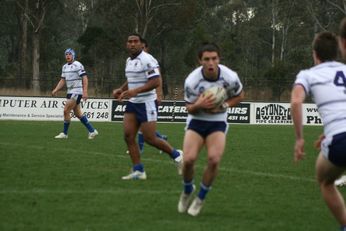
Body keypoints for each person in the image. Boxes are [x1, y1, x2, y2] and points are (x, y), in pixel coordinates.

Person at [177, 42, 244, 216]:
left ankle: (200, 199)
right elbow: (189, 108)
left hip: (217, 122)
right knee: (189, 159)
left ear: (219, 59)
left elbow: (240, 96)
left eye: (214, 58)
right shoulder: (192, 81)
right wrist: (199, 104)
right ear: (200, 61)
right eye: (206, 59)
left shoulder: (230, 77)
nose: (211, 63)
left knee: (214, 160)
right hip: (197, 121)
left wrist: (224, 106)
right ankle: (187, 191)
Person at [291, 31, 346, 230]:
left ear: (315, 54)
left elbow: (296, 101)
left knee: (325, 181)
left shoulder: (308, 75)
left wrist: (299, 139)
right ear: (338, 50)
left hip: (340, 141)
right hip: (340, 135)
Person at [113, 33, 183, 180]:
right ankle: (138, 170)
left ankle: (177, 155)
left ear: (141, 44)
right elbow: (131, 79)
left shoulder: (147, 60)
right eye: (130, 41)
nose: (132, 44)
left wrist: (135, 91)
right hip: (133, 103)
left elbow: (156, 81)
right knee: (128, 136)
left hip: (146, 103)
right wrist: (122, 89)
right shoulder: (128, 60)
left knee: (149, 138)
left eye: (135, 41)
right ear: (127, 44)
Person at [52, 48, 98, 139]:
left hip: (77, 91)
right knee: (78, 114)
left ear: (73, 55)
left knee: (66, 110)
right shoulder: (64, 67)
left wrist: (85, 92)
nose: (68, 56)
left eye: (69, 54)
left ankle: (64, 133)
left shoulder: (77, 65)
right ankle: (92, 131)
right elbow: (63, 80)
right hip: (70, 92)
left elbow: (85, 78)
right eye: (66, 54)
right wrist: (56, 89)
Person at [136, 38, 168, 154]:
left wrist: (159, 95)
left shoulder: (151, 60)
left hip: (151, 98)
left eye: (144, 47)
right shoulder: (136, 61)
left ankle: (140, 148)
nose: (142, 50)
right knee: (143, 126)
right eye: (141, 47)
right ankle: (161, 138)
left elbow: (158, 78)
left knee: (143, 126)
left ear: (147, 48)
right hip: (140, 98)